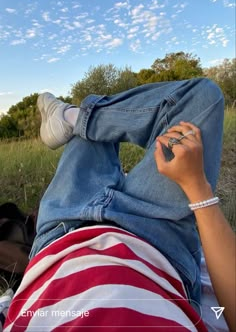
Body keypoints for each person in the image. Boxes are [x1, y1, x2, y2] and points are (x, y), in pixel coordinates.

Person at [3, 78, 235, 331]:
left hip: (61, 236)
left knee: (91, 135)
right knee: (201, 97)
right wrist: (197, 188)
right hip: (158, 244)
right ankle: (72, 116)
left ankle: (72, 117)